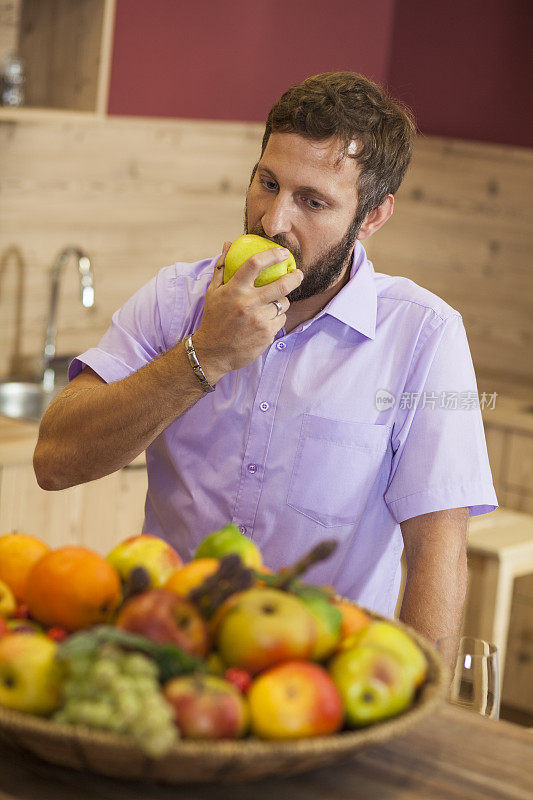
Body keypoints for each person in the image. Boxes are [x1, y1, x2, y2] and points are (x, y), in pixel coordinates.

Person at [34, 72, 497, 667]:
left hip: (322, 685)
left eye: (313, 201)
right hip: (164, 656)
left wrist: (409, 711)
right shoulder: (175, 301)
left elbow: (438, 553)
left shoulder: (425, 336)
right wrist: (203, 358)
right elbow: (53, 461)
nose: (273, 222)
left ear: (374, 215)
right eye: (268, 183)